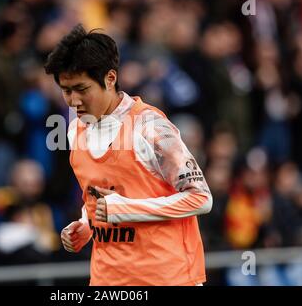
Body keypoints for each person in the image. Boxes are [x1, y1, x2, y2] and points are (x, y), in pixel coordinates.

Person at [44, 24, 213, 286]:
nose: (73, 100)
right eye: (66, 90)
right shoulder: (74, 129)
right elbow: (98, 198)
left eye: (82, 88)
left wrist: (127, 209)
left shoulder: (150, 126)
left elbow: (200, 198)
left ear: (110, 79)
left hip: (167, 278)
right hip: (107, 280)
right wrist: (86, 224)